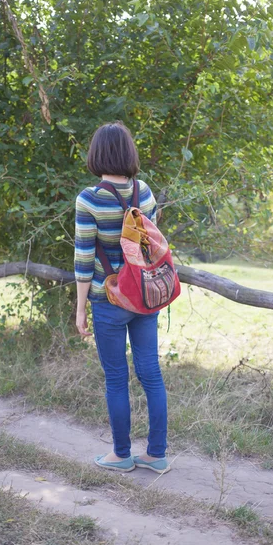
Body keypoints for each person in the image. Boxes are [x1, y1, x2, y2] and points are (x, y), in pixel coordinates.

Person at [74, 121, 170, 474]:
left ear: (97, 154)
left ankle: (121, 454)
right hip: (145, 296)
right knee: (151, 373)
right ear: (129, 152)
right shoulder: (143, 192)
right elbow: (151, 246)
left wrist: (80, 308)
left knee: (116, 378)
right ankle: (156, 455)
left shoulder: (90, 199)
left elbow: (84, 259)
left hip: (109, 299)